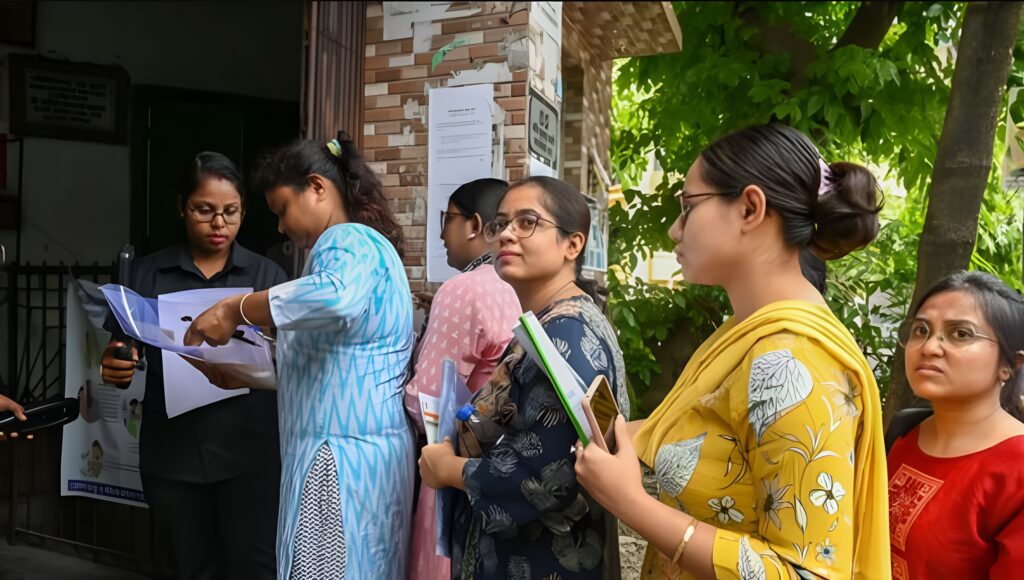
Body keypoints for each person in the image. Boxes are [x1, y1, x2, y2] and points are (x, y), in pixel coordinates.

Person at [574, 124, 891, 579]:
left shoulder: (792, 362)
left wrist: (631, 503)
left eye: (688, 207)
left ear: (749, 208)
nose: (673, 229)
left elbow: (805, 573)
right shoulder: (744, 332)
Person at [183, 137, 414, 580]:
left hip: (337, 459)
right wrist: (251, 376)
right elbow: (337, 363)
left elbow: (334, 299)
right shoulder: (367, 247)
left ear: (317, 187)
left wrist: (236, 308)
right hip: (357, 454)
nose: (281, 227)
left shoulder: (346, 240)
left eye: (282, 208)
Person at [418, 176, 629, 580]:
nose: (507, 234)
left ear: (573, 244)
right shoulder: (556, 321)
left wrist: (451, 470)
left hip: (540, 560)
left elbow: (550, 472)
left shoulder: (566, 332)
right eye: (501, 224)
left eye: (528, 222)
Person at [99, 152, 286, 580]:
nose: (219, 223)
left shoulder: (268, 276)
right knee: (188, 566)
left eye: (230, 212)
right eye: (205, 210)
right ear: (182, 206)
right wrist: (116, 363)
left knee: (254, 566)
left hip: (252, 453)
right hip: (173, 454)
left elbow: (293, 354)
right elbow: (119, 347)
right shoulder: (146, 274)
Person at [404, 178, 522, 579]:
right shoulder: (518, 286)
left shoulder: (463, 289)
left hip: (453, 468)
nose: (441, 232)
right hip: (503, 473)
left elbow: (428, 401)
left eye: (447, 218)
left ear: (475, 224)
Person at [887, 271, 1024, 578]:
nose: (930, 347)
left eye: (961, 334)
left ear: (1009, 366)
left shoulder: (1017, 469)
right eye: (921, 330)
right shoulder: (903, 435)